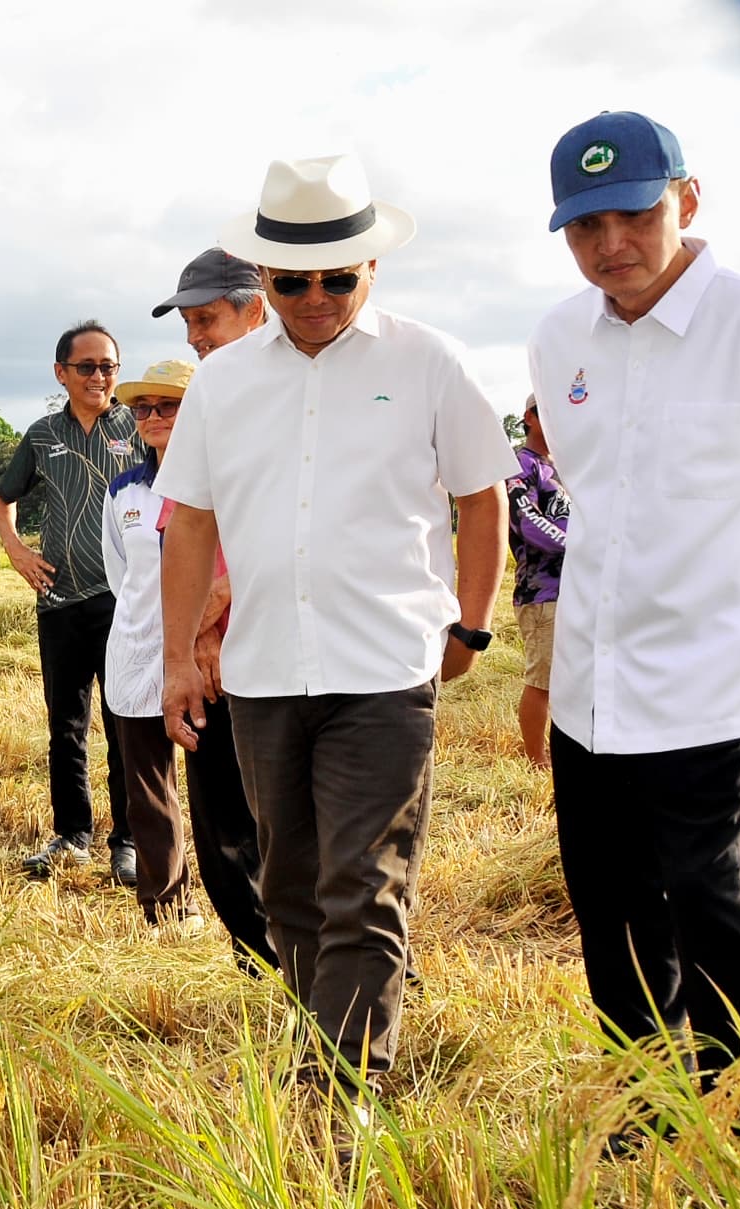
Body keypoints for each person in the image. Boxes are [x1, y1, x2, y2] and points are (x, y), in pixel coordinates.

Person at [159, 153, 517, 1087]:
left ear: (371, 269)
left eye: (336, 278)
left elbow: (484, 495)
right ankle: (328, 1053)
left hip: (386, 668)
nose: (314, 297)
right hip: (267, 673)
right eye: (291, 281)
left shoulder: (428, 359)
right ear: (264, 277)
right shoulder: (225, 382)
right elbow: (190, 523)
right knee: (288, 890)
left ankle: (341, 1090)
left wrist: (469, 625)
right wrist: (177, 659)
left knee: (363, 885)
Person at [527, 110, 740, 1100]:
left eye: (634, 215)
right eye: (583, 227)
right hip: (589, 679)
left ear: (684, 199)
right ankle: (646, 1103)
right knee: (608, 904)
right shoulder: (558, 338)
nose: (610, 246)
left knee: (703, 893)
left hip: (705, 674)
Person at [147, 249, 278, 972]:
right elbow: (186, 533)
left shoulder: (288, 396)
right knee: (223, 827)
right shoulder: (211, 400)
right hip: (209, 654)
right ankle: (265, 960)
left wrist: (212, 622)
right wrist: (187, 646)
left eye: (207, 318)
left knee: (281, 828)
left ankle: (319, 973)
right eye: (189, 322)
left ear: (254, 307)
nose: (195, 335)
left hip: (261, 649)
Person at [0, 320, 140, 885]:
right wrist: (16, 551)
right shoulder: (42, 436)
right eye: (87, 367)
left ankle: (127, 841)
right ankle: (73, 834)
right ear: (62, 373)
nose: (99, 376)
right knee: (66, 725)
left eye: (108, 367)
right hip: (58, 602)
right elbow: (2, 500)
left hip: (124, 601)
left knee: (125, 721)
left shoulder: (136, 424)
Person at [100, 358, 204, 933]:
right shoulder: (124, 491)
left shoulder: (221, 481)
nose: (154, 416)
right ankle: (166, 907)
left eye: (169, 406)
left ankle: (246, 904)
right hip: (138, 652)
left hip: (208, 654)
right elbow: (122, 575)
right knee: (147, 790)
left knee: (222, 794)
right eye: (144, 408)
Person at [505, 395, 570, 767]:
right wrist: (578, 547)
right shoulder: (520, 464)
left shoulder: (562, 466)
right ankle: (536, 759)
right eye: (548, 411)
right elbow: (527, 522)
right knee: (543, 679)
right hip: (542, 591)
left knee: (571, 680)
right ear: (529, 417)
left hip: (574, 589)